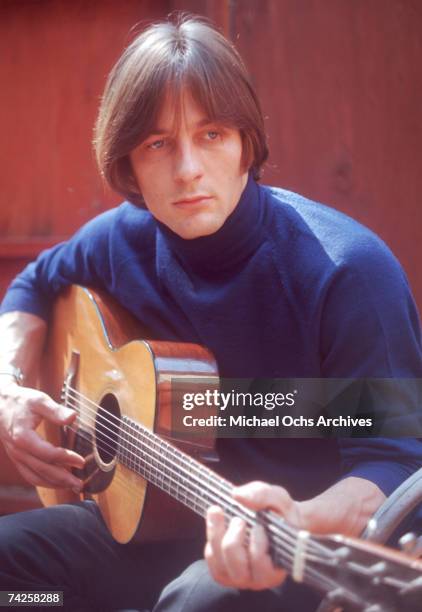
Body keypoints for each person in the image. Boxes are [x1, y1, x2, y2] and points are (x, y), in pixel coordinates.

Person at [0, 13, 421, 612]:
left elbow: (395, 464)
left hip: (291, 548)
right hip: (154, 527)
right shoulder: (122, 240)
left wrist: (295, 516)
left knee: (201, 600)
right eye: (157, 144)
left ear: (247, 142)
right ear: (129, 167)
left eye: (213, 135)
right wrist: (9, 389)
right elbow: (35, 285)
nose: (188, 169)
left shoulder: (345, 273)